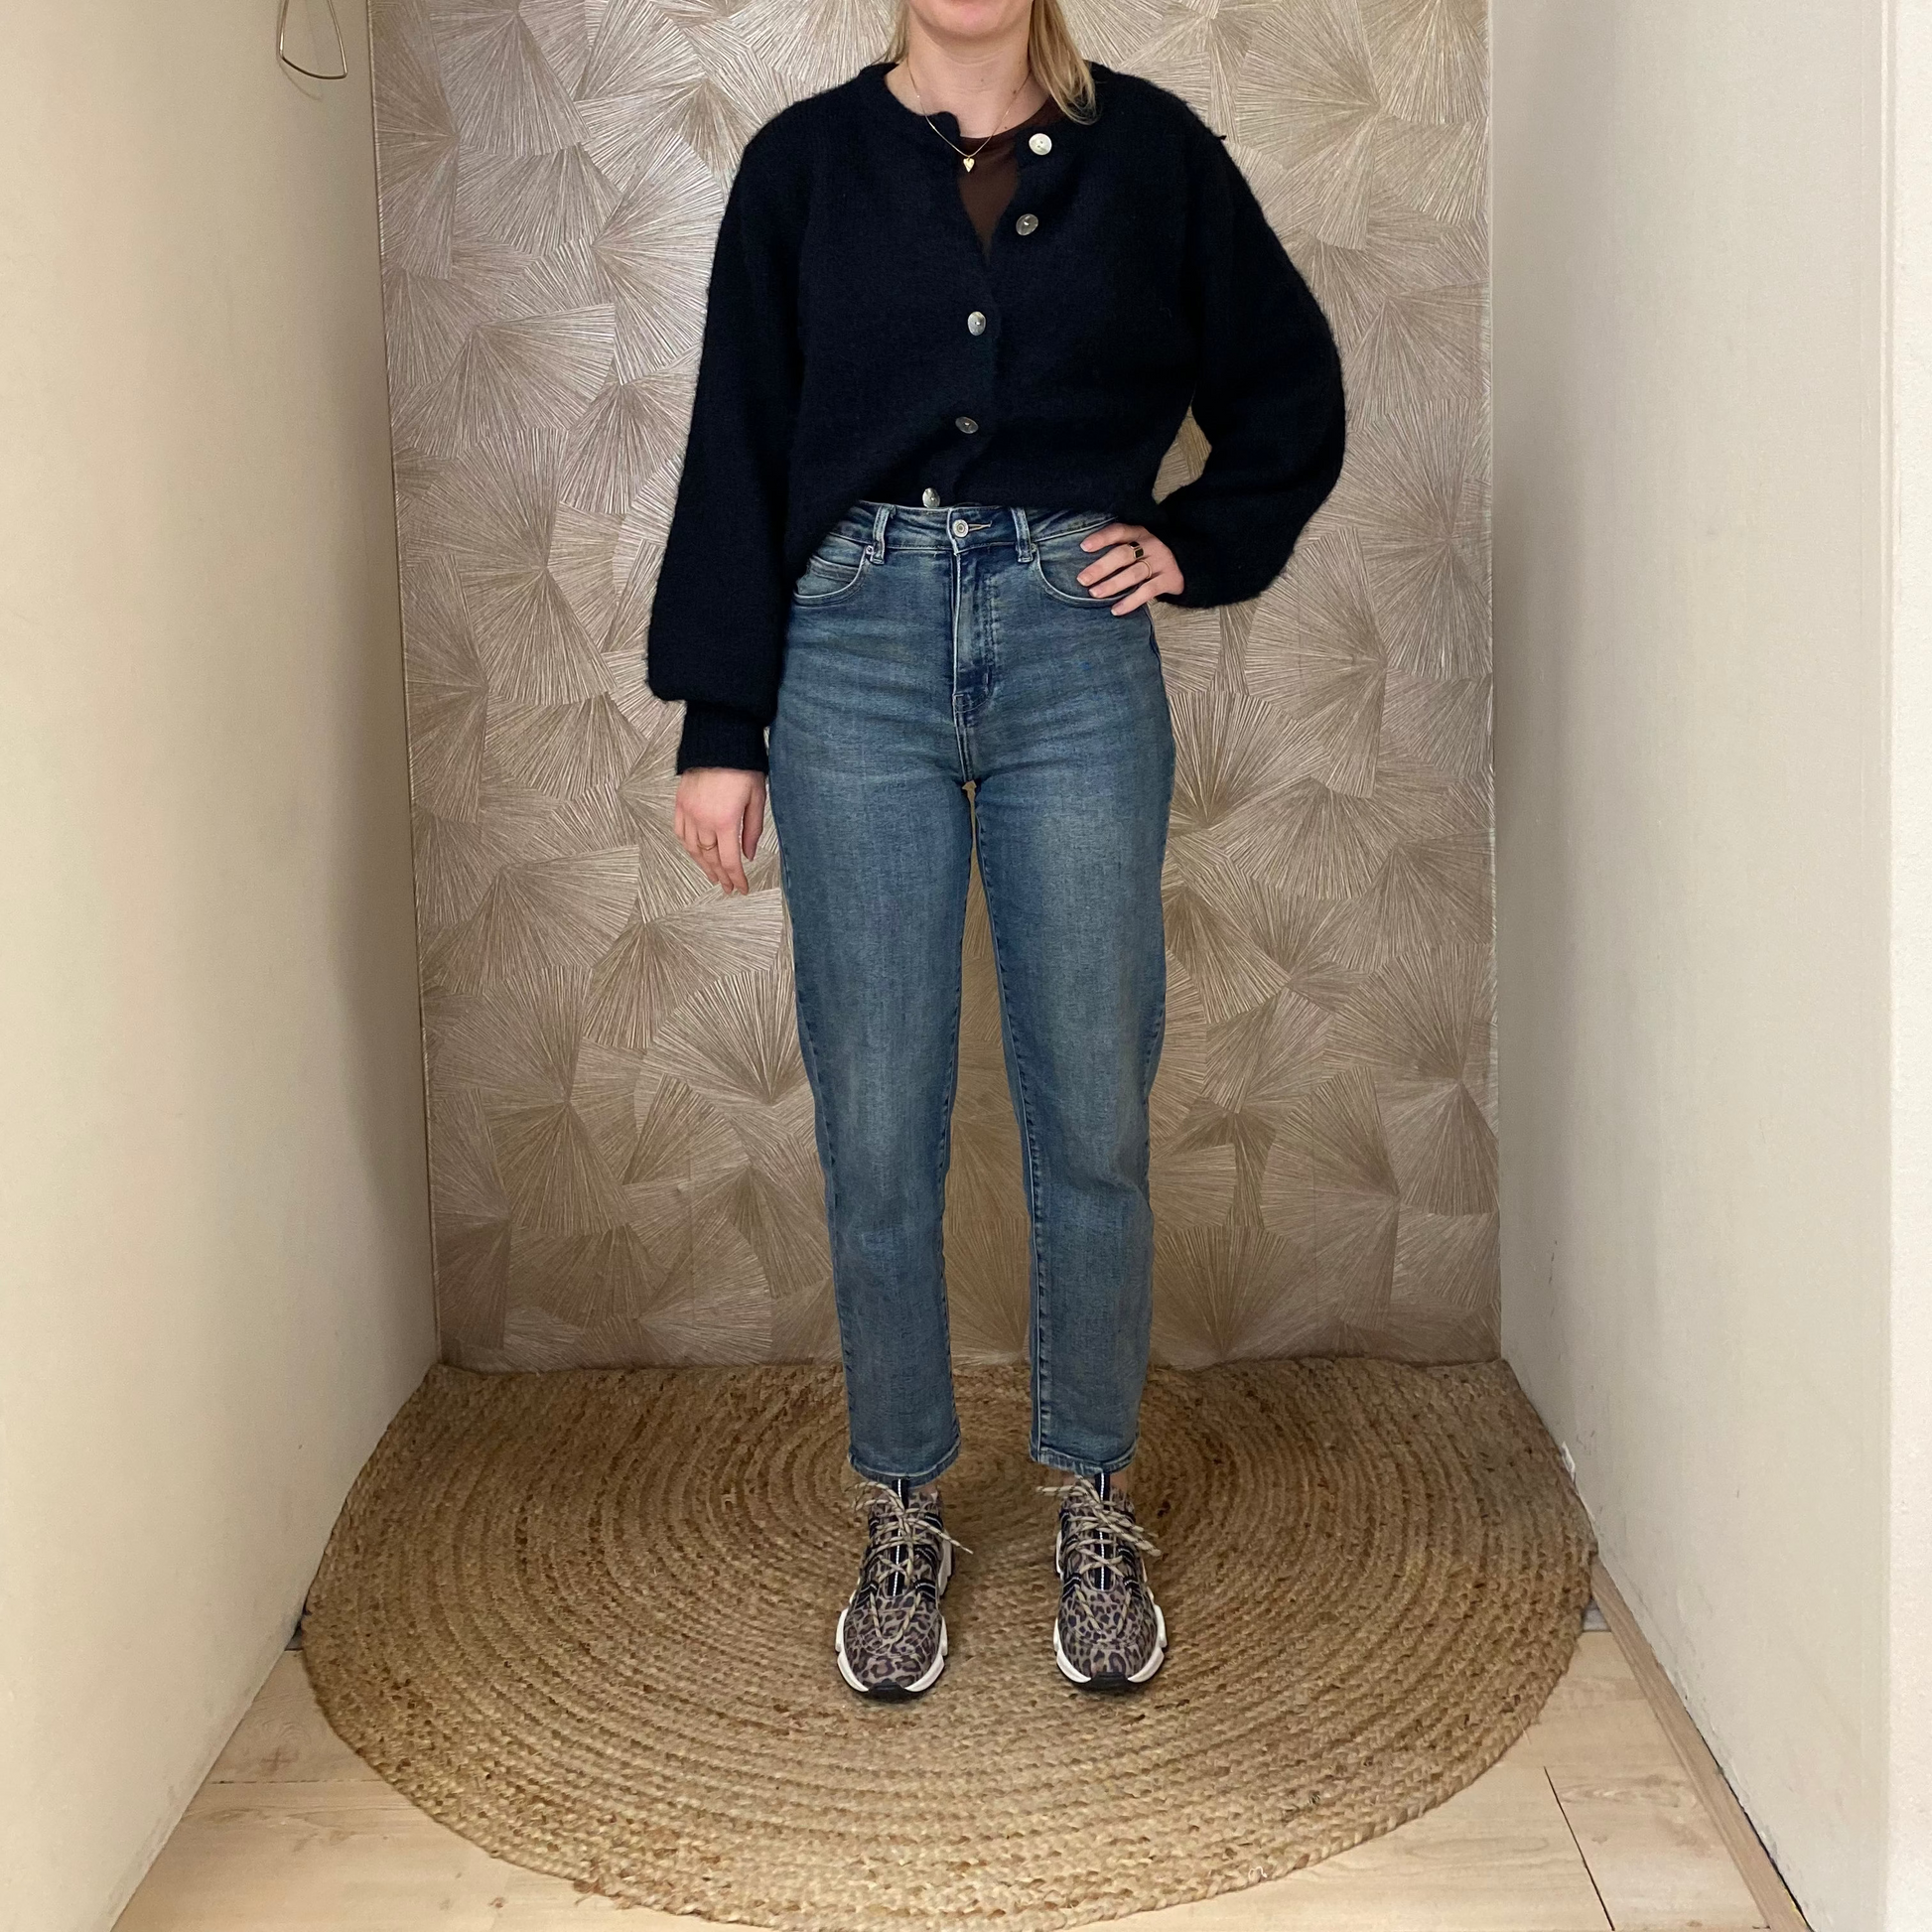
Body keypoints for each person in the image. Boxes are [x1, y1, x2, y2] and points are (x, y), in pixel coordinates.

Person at [645, 0, 1346, 1699]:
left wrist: (1192, 541)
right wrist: (724, 721)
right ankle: (901, 1500)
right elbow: (739, 433)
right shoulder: (804, 167)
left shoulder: (1150, 153)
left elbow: (1287, 383)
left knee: (1091, 1101)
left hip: (1069, 647)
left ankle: (1093, 1492)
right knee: (877, 1108)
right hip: (849, 650)